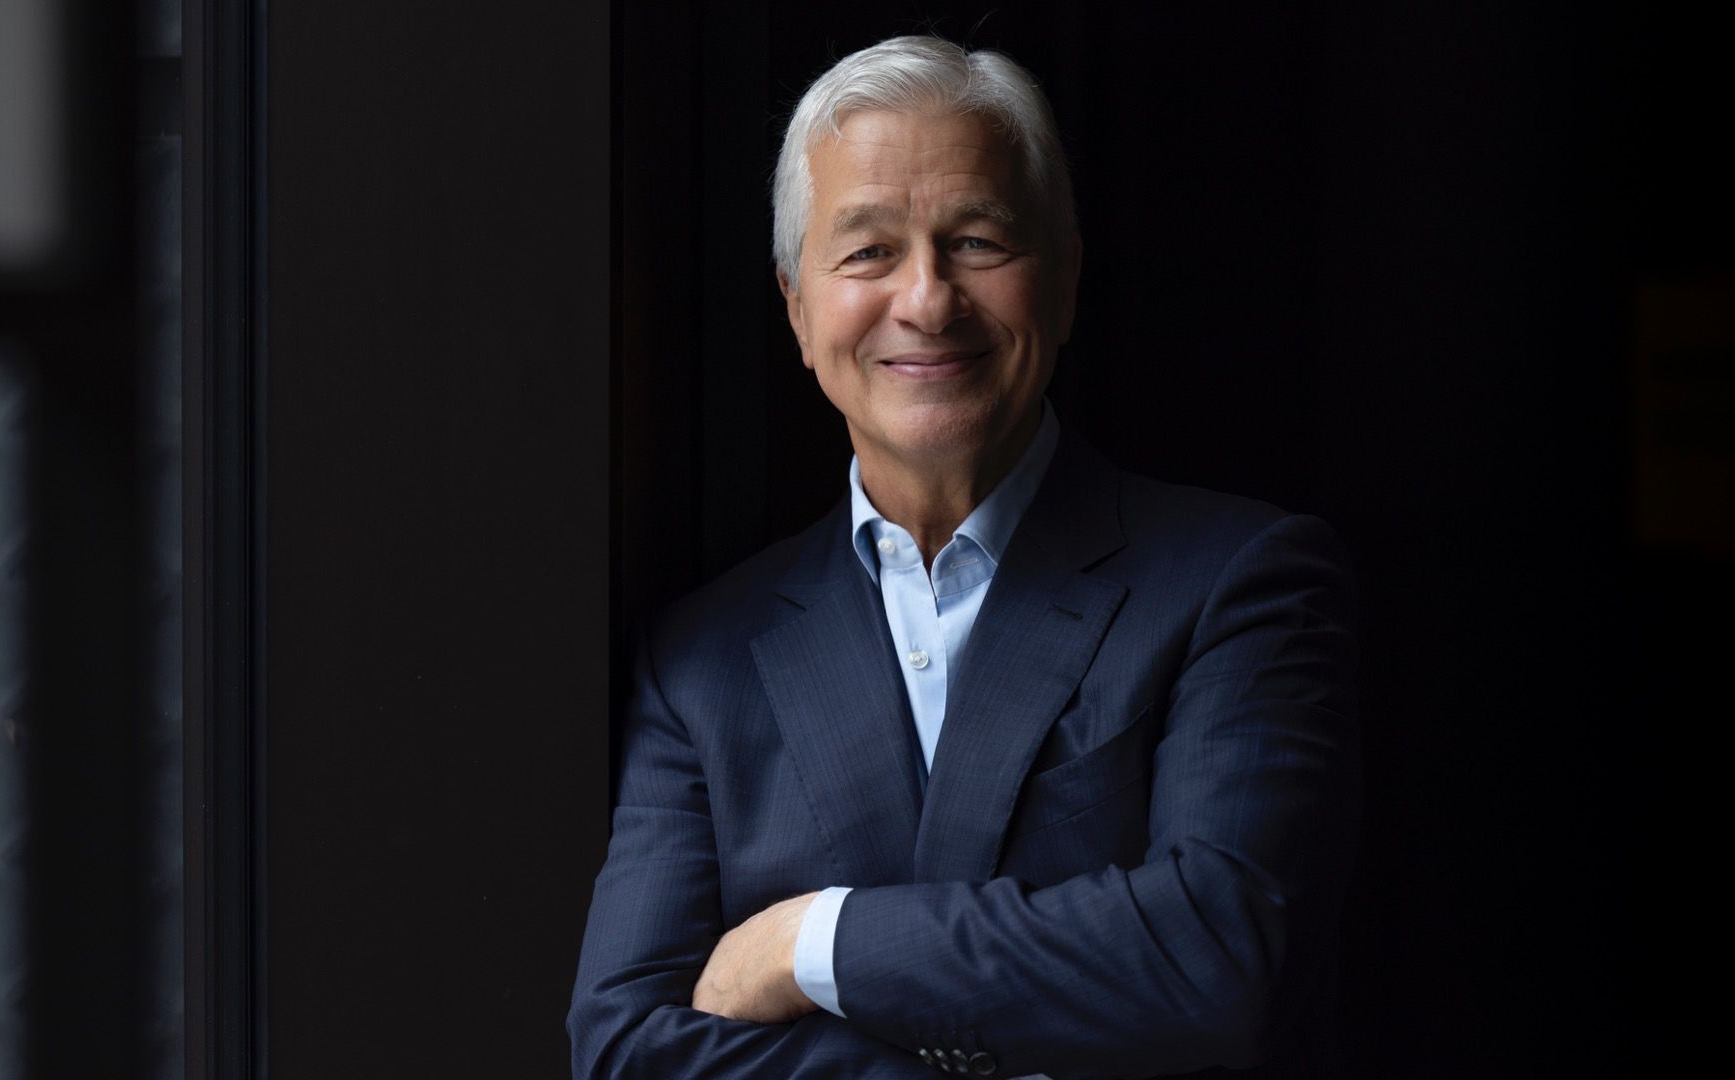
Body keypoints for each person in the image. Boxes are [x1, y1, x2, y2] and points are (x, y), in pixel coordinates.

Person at [569, 34, 1361, 1079]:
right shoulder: (699, 663)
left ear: (1065, 279)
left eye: (978, 241)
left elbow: (1217, 955)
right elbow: (627, 1047)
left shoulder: (1240, 582)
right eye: (868, 252)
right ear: (798, 309)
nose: (928, 300)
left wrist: (811, 943)